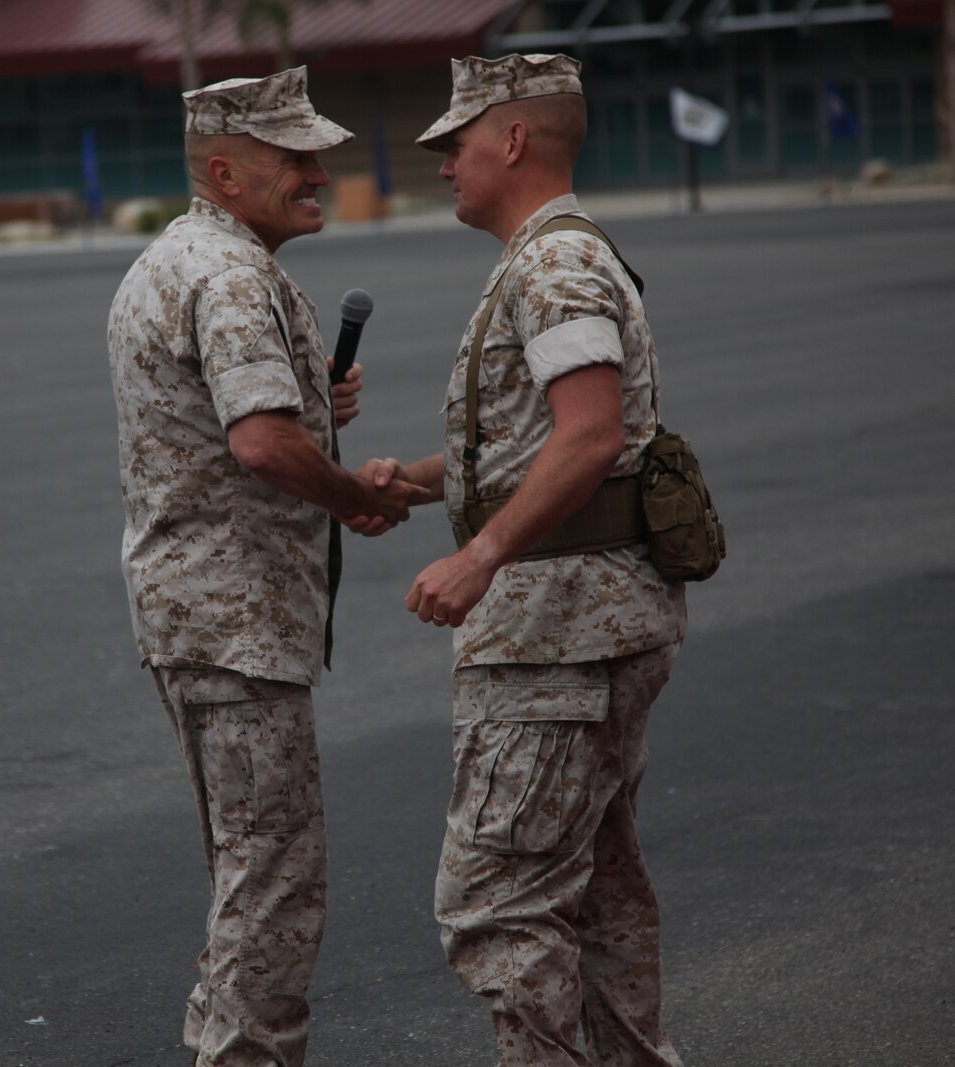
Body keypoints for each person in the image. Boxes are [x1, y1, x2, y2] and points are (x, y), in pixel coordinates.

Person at [360, 54, 691, 1066]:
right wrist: (422, 482)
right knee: (593, 887)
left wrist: (480, 554)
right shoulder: (546, 258)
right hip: (582, 622)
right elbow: (542, 440)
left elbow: (588, 434)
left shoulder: (553, 264)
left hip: (557, 632)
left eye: (453, 144)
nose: (441, 164)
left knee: (498, 900)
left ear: (512, 139)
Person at [107, 67, 426, 1067]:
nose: (317, 172)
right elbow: (255, 445)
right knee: (273, 879)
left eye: (316, 155)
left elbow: (237, 424)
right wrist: (351, 492)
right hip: (234, 619)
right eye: (292, 157)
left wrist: (314, 413)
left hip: (196, 612)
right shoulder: (232, 277)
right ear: (222, 170)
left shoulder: (178, 256)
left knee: (250, 865)